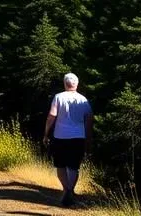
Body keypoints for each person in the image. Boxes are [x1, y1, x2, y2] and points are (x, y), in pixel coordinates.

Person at [44, 72, 93, 207]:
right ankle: (70, 191)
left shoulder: (58, 97)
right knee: (74, 166)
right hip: (78, 136)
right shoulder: (84, 100)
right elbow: (89, 120)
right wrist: (89, 139)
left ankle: (66, 190)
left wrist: (46, 133)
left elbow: (51, 115)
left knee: (60, 165)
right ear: (76, 84)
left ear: (65, 84)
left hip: (60, 136)